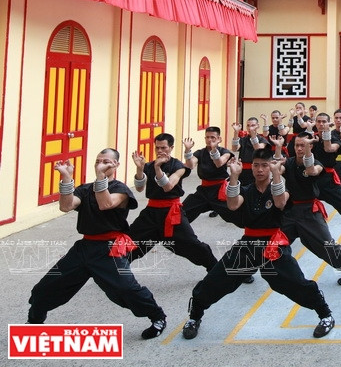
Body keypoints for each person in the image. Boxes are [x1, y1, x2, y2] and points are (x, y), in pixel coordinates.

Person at [182, 149, 335, 340]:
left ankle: (325, 314)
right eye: (256, 165)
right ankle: (194, 317)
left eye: (264, 165)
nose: (260, 170)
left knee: (294, 282)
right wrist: (234, 177)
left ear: (271, 167)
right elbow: (232, 205)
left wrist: (278, 173)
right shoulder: (246, 190)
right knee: (217, 279)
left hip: (273, 245)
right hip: (249, 243)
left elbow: (279, 203)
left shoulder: (281, 189)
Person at [27, 149, 167, 339]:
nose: (101, 163)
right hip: (84, 247)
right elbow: (66, 206)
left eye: (106, 161)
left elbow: (106, 204)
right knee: (46, 287)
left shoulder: (121, 189)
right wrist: (67, 178)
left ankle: (157, 316)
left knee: (126, 289)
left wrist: (101, 176)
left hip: (110, 249)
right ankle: (34, 322)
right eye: (98, 160)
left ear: (116, 165)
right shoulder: (85, 189)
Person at [274, 113, 341, 245]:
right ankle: (279, 243)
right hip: (306, 181)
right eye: (319, 122)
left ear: (329, 123)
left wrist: (325, 133)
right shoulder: (310, 139)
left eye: (324, 122)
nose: (321, 124)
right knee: (285, 209)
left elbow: (328, 149)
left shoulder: (334, 138)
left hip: (327, 180)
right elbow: (293, 156)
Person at [277, 132, 341, 285]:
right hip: (290, 212)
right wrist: (278, 149)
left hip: (310, 212)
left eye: (302, 145)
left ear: (310, 146)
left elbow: (311, 171)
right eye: (297, 145)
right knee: (274, 242)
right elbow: (277, 170)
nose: (298, 148)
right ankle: (251, 271)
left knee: (326, 245)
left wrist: (308, 151)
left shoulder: (317, 163)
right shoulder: (289, 163)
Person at [128, 134, 218, 272]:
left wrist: (158, 168)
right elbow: (140, 188)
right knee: (129, 241)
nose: (160, 151)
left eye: (163, 147)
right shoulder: (150, 165)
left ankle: (216, 269)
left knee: (192, 244)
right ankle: (115, 269)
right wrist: (140, 168)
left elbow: (168, 186)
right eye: (157, 147)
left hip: (172, 213)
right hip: (151, 212)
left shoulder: (178, 166)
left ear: (171, 148)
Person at [181, 127, 236, 224]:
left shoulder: (225, 152)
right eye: (207, 137)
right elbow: (190, 165)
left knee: (237, 215)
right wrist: (187, 151)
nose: (209, 140)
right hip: (204, 190)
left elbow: (218, 163)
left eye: (212, 137)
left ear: (219, 139)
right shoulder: (200, 153)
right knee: (182, 213)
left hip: (219, 190)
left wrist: (214, 150)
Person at [230, 118, 268, 186]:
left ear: (258, 126)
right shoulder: (243, 140)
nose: (250, 128)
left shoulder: (262, 139)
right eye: (248, 125)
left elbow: (258, 149)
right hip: (243, 173)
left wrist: (253, 135)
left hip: (258, 172)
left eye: (253, 125)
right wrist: (236, 132)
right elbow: (234, 149)